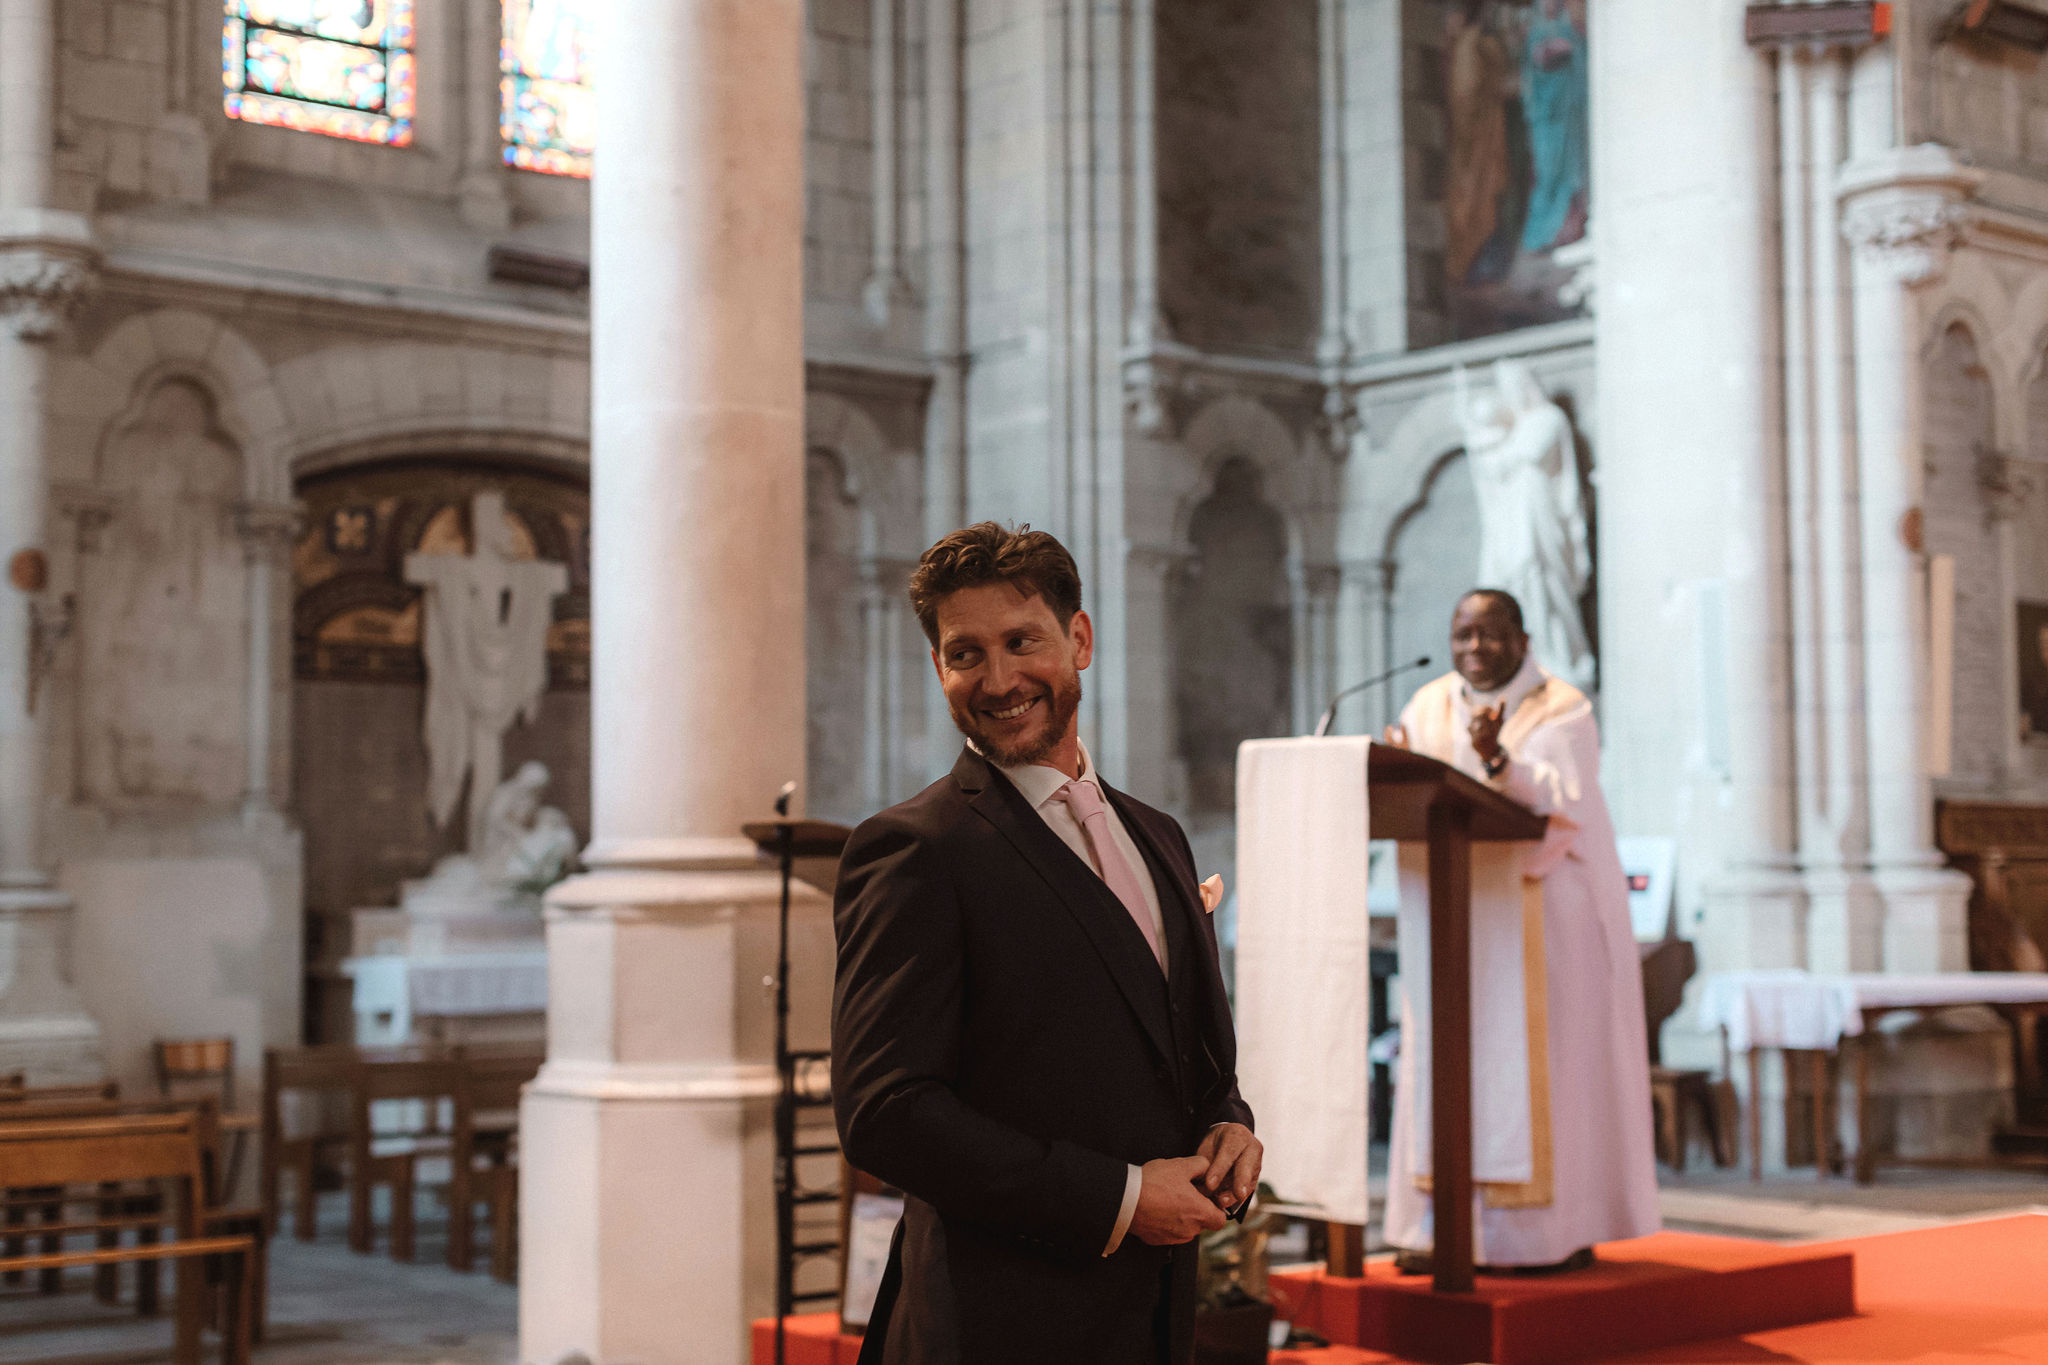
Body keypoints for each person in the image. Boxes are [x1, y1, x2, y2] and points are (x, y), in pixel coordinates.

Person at [832, 522, 1261, 1365]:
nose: (997, 680)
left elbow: (1184, 1054)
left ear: (1081, 639)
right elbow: (885, 1112)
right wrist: (1125, 1197)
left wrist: (1228, 1124)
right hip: (996, 1326)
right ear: (937, 666)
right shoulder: (916, 847)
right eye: (965, 653)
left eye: (1021, 641)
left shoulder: (1159, 835)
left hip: (1153, 1321)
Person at [1382, 588, 1657, 1271]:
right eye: (1463, 634)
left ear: (1522, 638)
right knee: (1444, 1060)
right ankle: (1443, 1229)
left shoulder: (1563, 707)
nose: (1475, 647)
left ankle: (1544, 1235)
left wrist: (1500, 764)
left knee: (1546, 1068)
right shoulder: (1427, 705)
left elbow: (1563, 802)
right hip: (1451, 912)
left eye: (1490, 634)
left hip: (1542, 914)